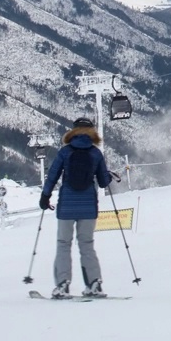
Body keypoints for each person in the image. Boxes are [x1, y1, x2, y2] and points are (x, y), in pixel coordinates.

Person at [40, 117, 114, 298]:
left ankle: (63, 284)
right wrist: (109, 176)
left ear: (73, 131)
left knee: (63, 244)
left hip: (67, 206)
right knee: (86, 244)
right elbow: (104, 182)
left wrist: (45, 196)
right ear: (92, 132)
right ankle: (94, 283)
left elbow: (53, 175)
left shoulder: (65, 152)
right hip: (88, 207)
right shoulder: (96, 153)